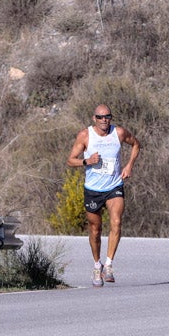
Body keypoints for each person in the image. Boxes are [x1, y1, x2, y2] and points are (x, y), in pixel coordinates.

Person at [66, 104, 141, 287]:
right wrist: (87, 161)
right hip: (93, 189)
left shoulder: (119, 133)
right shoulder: (85, 135)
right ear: (94, 119)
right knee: (95, 229)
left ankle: (109, 264)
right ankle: (97, 265)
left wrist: (129, 165)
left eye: (107, 116)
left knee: (116, 222)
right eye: (100, 117)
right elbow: (70, 160)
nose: (104, 120)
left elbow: (136, 144)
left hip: (114, 185)